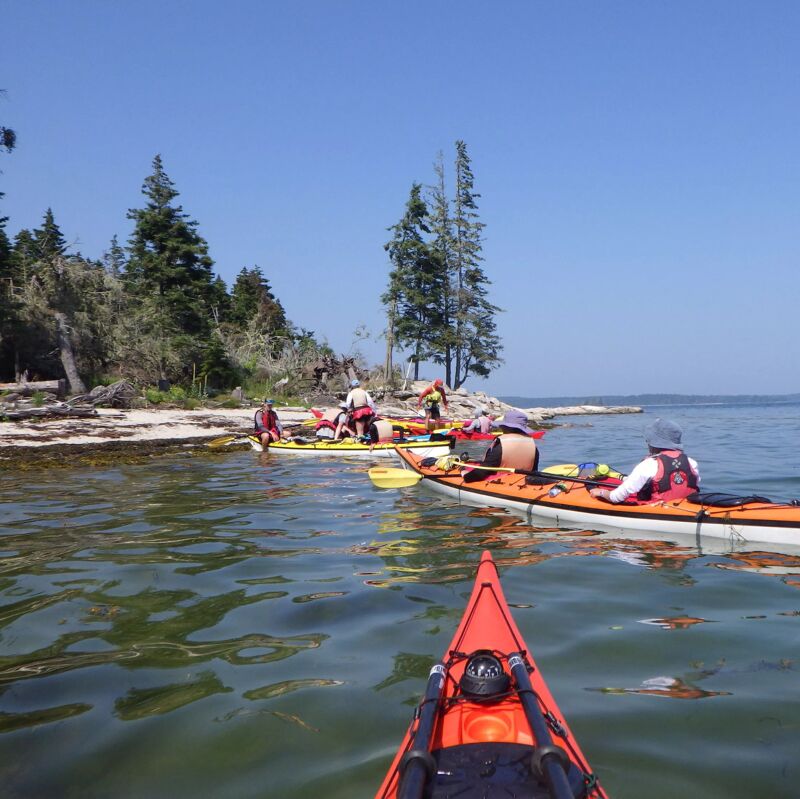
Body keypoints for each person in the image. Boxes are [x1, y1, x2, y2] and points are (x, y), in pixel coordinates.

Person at [589, 418, 699, 504]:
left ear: (653, 443)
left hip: (656, 508)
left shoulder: (648, 465)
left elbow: (615, 497)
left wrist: (601, 492)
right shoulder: (691, 462)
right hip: (684, 505)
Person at [462, 409, 539, 483]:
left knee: (465, 469)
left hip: (501, 482)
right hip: (524, 482)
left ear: (505, 427)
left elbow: (483, 471)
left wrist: (465, 475)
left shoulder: (501, 444)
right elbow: (534, 471)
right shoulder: (533, 446)